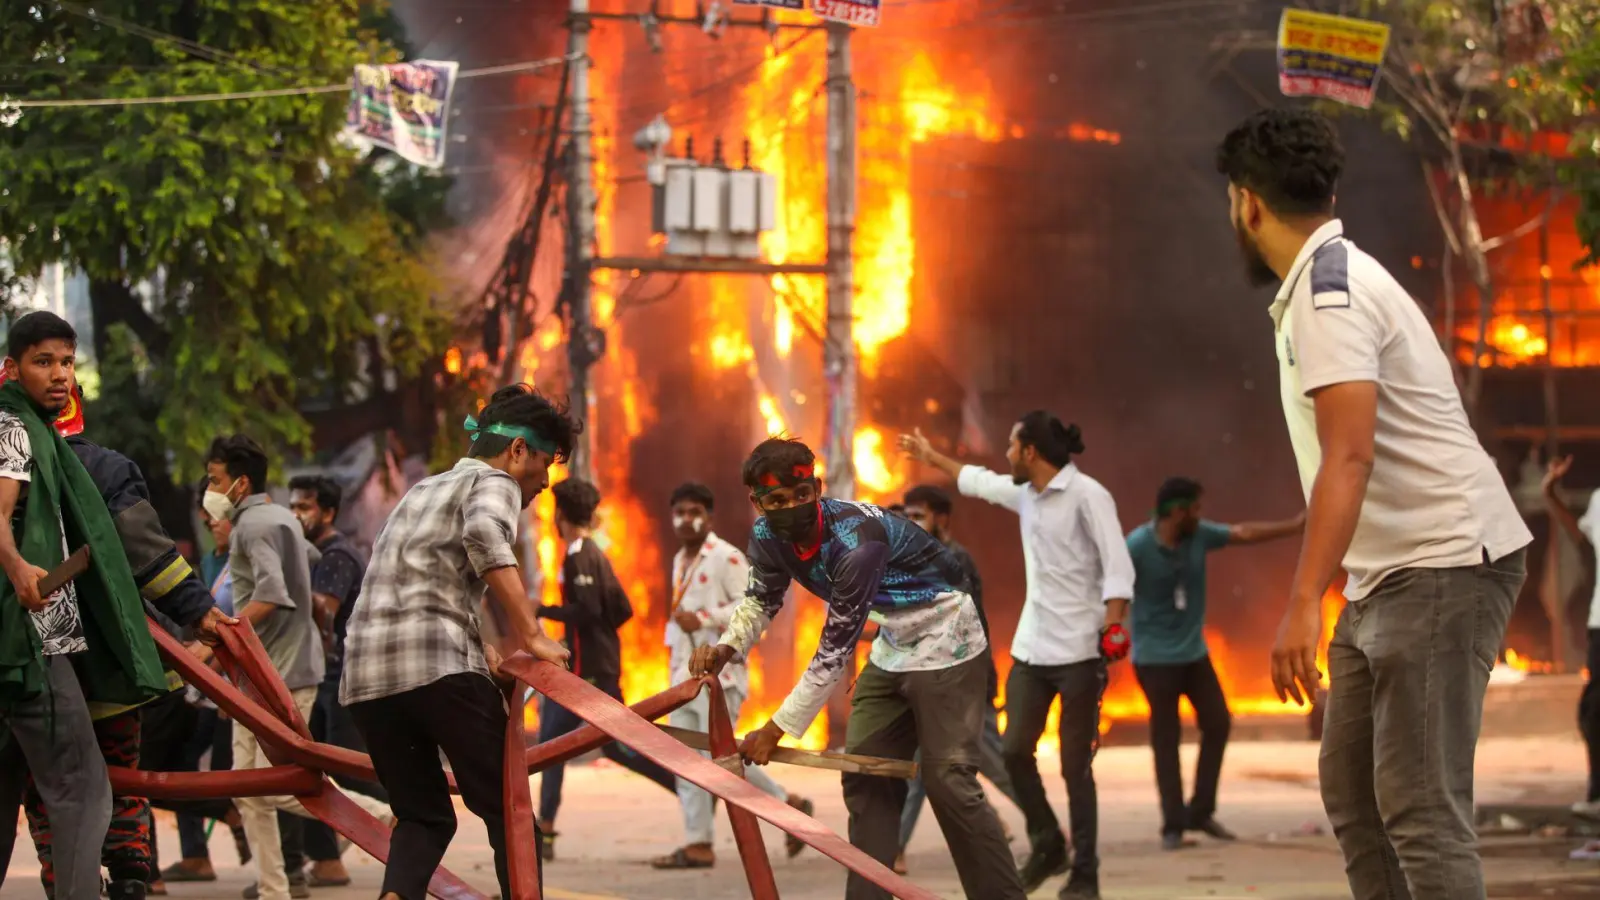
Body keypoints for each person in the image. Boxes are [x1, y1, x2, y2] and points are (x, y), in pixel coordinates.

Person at [1218, 107, 1531, 899]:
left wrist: (1300, 603)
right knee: (1356, 799)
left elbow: (1348, 458)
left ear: (1247, 202)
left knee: (1421, 810)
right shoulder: (1328, 283)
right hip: (1387, 573)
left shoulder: (1332, 295)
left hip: (1442, 562)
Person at [690, 437, 1026, 900]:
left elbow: (834, 650)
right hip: (894, 643)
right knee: (867, 775)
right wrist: (726, 646)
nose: (792, 507)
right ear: (758, 503)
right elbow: (760, 599)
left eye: (802, 495)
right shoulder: (767, 536)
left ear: (817, 487)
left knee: (948, 780)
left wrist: (777, 728)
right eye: (778, 501)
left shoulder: (854, 542)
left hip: (948, 635)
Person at [340, 385, 574, 900]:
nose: (542, 485)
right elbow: (485, 536)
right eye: (542, 468)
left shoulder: (420, 491)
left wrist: (480, 653)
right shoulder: (495, 481)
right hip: (436, 670)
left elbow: (421, 585)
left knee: (423, 817)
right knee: (510, 813)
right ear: (517, 450)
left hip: (366, 681)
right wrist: (532, 634)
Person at [899, 413, 1134, 899]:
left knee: (1075, 767)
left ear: (1030, 452)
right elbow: (979, 483)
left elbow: (1117, 567)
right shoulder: (1027, 496)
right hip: (1032, 649)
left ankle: (1085, 872)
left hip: (1080, 653)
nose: (1004, 454)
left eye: (1010, 445)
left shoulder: (1090, 496)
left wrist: (1113, 624)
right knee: (1012, 752)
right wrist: (930, 458)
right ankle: (1048, 841)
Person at [0, 312, 177, 900]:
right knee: (82, 788)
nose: (59, 376)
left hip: (34, 643)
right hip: (32, 642)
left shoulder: (43, 436)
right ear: (13, 367)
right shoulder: (15, 428)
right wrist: (18, 564)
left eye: (67, 363)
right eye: (43, 362)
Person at [205, 434, 389, 900]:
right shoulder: (282, 519)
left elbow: (272, 592)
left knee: (270, 786)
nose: (210, 492)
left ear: (239, 484)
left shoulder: (250, 528)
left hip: (276, 676)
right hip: (272, 673)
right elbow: (305, 569)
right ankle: (274, 890)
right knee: (251, 791)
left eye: (215, 481)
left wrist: (217, 635)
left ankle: (381, 814)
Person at [1125, 477, 1303, 851]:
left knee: (1218, 722)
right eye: (1195, 509)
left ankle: (1200, 811)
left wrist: (1297, 525)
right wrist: (1111, 632)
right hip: (1155, 659)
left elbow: (1244, 533)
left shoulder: (1199, 536)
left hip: (1193, 654)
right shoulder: (1137, 547)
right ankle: (1173, 825)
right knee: (1166, 738)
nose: (1201, 516)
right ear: (1177, 511)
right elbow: (1113, 587)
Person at [649, 482, 812, 870]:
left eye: (694, 512)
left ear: (709, 516)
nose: (686, 520)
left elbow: (751, 607)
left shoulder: (727, 557)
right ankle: (698, 843)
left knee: (720, 759)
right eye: (680, 512)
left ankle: (787, 809)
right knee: (685, 761)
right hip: (682, 676)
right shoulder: (680, 559)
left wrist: (703, 619)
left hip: (720, 678)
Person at [535, 477, 678, 859]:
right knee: (586, 745)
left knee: (555, 744)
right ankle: (544, 829)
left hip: (589, 670)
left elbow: (591, 610)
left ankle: (688, 789)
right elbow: (622, 609)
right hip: (591, 664)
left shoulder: (580, 555)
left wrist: (542, 610)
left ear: (560, 515)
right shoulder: (595, 553)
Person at [893, 483, 1020, 876]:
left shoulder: (954, 559)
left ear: (941, 518)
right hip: (927, 679)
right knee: (920, 771)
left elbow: (969, 622)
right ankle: (895, 848)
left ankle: (1044, 821)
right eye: (908, 515)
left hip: (965, 679)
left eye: (919, 515)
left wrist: (984, 680)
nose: (912, 523)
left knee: (995, 764)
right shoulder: (910, 556)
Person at [287, 474, 388, 888]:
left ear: (327, 513)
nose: (296, 515)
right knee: (314, 769)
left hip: (340, 677)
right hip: (324, 675)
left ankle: (404, 813)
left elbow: (322, 611)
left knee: (345, 768)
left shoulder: (335, 555)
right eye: (292, 506)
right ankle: (327, 861)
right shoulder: (313, 552)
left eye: (304, 507)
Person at [1538, 456, 1600, 813]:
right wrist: (1549, 491)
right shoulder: (1598, 502)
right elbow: (1579, 535)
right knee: (1593, 712)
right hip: (1599, 623)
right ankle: (1596, 792)